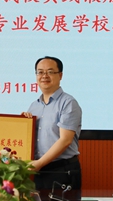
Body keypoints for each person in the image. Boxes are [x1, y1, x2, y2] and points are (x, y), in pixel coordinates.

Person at [23, 56, 82, 190]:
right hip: (38, 169)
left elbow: (65, 140)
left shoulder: (68, 103)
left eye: (50, 72)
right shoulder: (34, 106)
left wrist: (39, 163)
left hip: (61, 170)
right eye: (40, 72)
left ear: (60, 75)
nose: (44, 76)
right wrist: (24, 123)